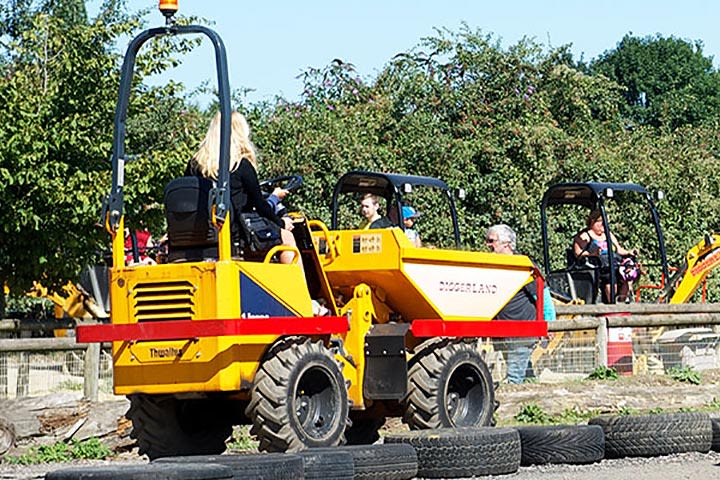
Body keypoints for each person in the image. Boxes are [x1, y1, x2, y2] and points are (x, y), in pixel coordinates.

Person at [186, 111, 302, 271]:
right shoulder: (241, 165)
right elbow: (259, 205)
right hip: (235, 234)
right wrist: (281, 222)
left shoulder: (194, 165)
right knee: (287, 238)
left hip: (201, 234)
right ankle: (297, 293)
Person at [487, 224, 544, 384]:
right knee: (526, 376)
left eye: (491, 241)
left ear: (506, 243)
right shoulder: (491, 266)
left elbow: (542, 294)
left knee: (514, 379)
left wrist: (548, 323)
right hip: (503, 331)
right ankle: (535, 401)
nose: (488, 245)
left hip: (522, 330)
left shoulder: (522, 266)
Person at [573, 210, 638, 303]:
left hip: (614, 262)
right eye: (601, 223)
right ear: (593, 222)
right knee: (610, 275)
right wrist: (593, 254)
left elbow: (619, 250)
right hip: (598, 264)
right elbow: (577, 253)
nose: (604, 226)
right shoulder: (584, 236)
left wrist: (630, 252)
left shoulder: (608, 234)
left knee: (628, 274)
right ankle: (611, 303)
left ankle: (622, 302)